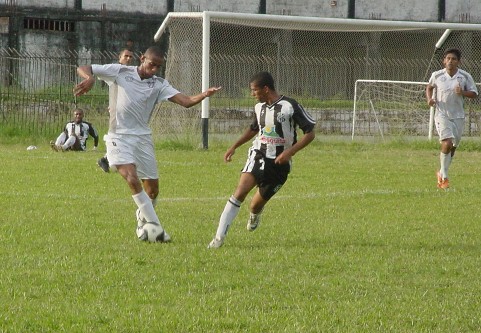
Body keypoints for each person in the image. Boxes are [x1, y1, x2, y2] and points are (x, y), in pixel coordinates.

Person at [74, 45, 221, 242]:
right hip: (119, 136)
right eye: (152, 65)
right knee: (131, 177)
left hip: (143, 138)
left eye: (158, 67)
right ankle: (157, 229)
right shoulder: (120, 71)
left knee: (152, 191)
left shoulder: (159, 84)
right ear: (142, 58)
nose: (154, 70)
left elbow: (185, 101)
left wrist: (203, 95)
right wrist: (89, 78)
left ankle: (142, 221)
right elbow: (84, 67)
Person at [207, 71, 316, 249]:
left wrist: (290, 152)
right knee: (240, 192)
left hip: (279, 165)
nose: (252, 94)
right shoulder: (259, 108)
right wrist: (234, 146)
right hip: (259, 154)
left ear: (265, 89)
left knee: (254, 205)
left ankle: (255, 214)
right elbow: (254, 129)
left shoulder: (290, 106)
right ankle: (218, 239)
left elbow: (310, 134)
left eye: (254, 90)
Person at [426, 48, 478, 190]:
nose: (450, 61)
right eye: (448, 58)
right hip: (442, 114)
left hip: (458, 116)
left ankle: (442, 172)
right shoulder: (437, 75)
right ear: (444, 61)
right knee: (447, 142)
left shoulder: (465, 76)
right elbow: (429, 87)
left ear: (458, 62)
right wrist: (430, 99)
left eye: (453, 59)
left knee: (453, 147)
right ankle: (444, 175)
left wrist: (463, 92)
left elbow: (474, 93)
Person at [97, 48, 135, 172]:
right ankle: (106, 159)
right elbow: (98, 73)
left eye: (130, 57)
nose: (128, 59)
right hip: (117, 111)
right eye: (126, 56)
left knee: (128, 136)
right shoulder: (114, 71)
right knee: (114, 134)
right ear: (119, 57)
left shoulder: (133, 73)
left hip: (129, 111)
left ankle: (107, 158)